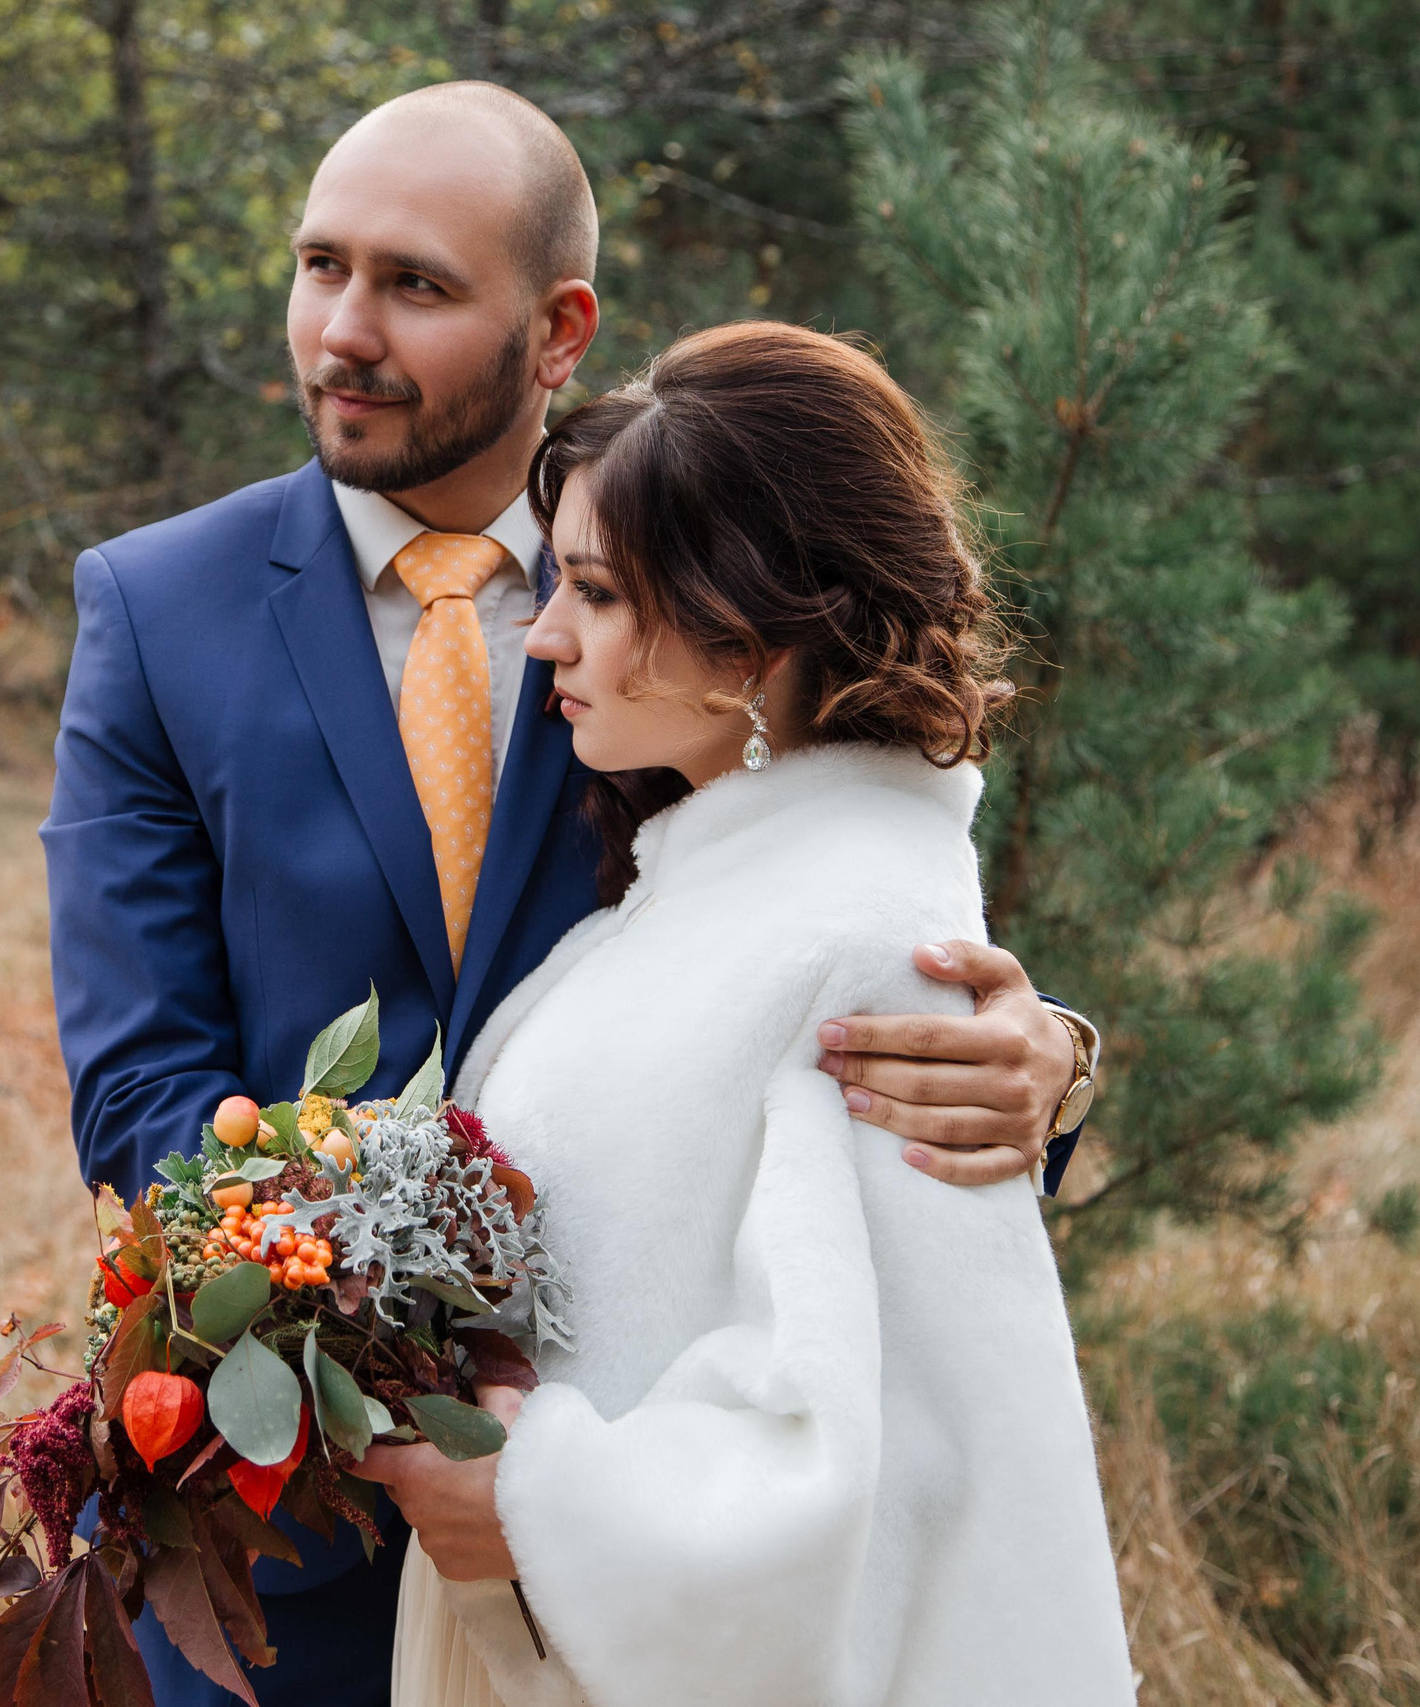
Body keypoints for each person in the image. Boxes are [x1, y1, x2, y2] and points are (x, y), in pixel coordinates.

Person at [42, 82, 1104, 1707]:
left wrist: (1045, 1059)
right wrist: (383, 1381)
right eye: (320, 265)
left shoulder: (702, 561)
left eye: (415, 284)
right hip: (287, 1535)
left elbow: (836, 900)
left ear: (559, 330)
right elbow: (140, 1085)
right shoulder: (156, 608)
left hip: (670, 1558)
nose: (341, 329)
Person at [353, 321, 1134, 1707]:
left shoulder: (858, 943)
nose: (543, 638)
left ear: (752, 622)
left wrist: (540, 1504)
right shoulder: (700, 884)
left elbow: (900, 1463)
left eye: (592, 592)